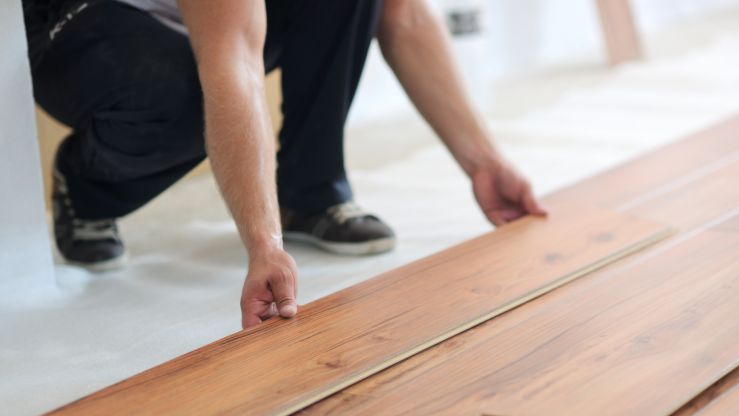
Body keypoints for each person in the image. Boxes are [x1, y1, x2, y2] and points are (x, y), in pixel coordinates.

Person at [23, 0, 548, 328]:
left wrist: (483, 161)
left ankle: (311, 192)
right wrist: (262, 245)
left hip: (197, 22)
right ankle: (86, 186)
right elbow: (233, 60)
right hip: (80, 25)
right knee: (186, 96)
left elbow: (404, 13)